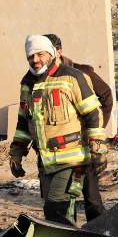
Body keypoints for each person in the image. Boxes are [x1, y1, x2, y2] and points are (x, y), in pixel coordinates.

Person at [9, 34, 107, 225]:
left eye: (40, 54)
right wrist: (16, 152)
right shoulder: (27, 83)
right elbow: (23, 122)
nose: (35, 60)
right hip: (46, 163)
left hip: (72, 160)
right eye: (31, 56)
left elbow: (93, 113)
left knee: (56, 208)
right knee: (57, 214)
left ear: (52, 54)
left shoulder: (72, 77)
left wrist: (98, 148)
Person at [43, 33, 112, 220]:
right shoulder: (41, 79)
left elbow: (106, 97)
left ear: (58, 51)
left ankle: (98, 231)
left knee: (91, 195)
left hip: (84, 146)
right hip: (61, 150)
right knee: (64, 198)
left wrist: (95, 131)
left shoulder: (81, 72)